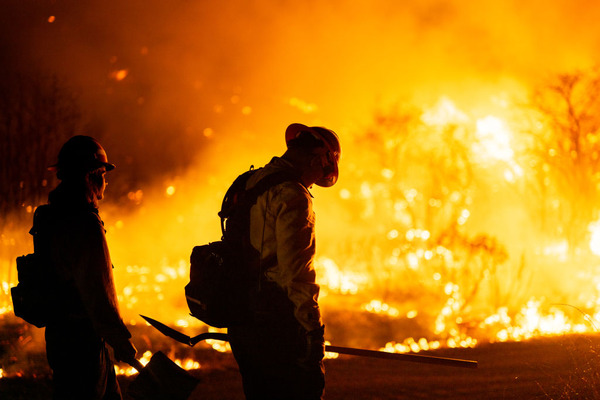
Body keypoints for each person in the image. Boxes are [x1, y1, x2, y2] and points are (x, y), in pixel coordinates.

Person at [228, 123, 341, 400]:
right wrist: (312, 331)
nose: (314, 182)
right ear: (319, 159)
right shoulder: (292, 194)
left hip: (243, 319)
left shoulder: (251, 181)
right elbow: (296, 272)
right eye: (319, 174)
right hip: (277, 324)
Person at [34, 135, 136, 399]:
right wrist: (119, 338)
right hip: (84, 342)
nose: (106, 181)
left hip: (60, 337)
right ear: (90, 176)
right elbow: (97, 289)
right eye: (103, 173)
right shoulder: (85, 224)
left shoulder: (51, 217)